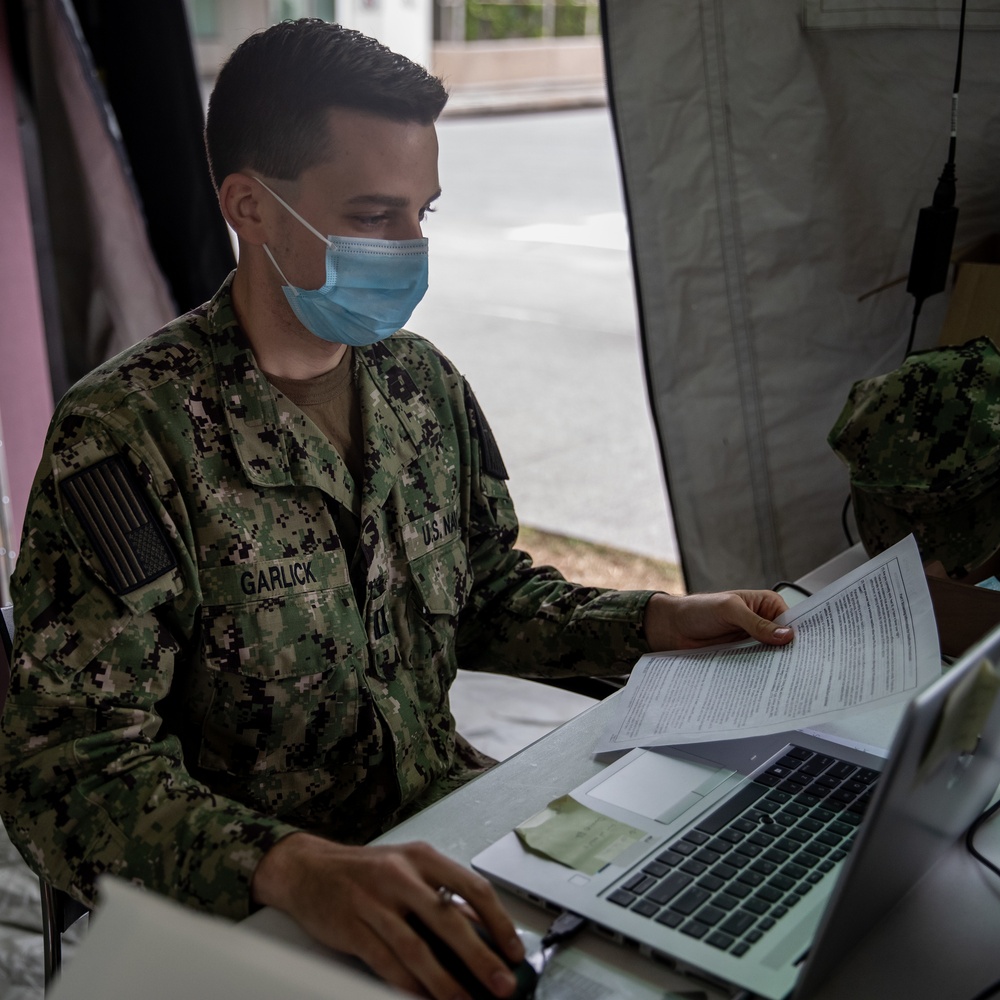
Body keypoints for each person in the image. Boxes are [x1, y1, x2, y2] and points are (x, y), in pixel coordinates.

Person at [0, 20, 793, 1000]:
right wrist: (290, 866)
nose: (413, 248)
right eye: (374, 216)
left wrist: (651, 620)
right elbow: (66, 769)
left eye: (424, 213)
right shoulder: (128, 435)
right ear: (250, 206)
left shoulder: (422, 387)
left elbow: (485, 589)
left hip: (449, 838)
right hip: (252, 910)